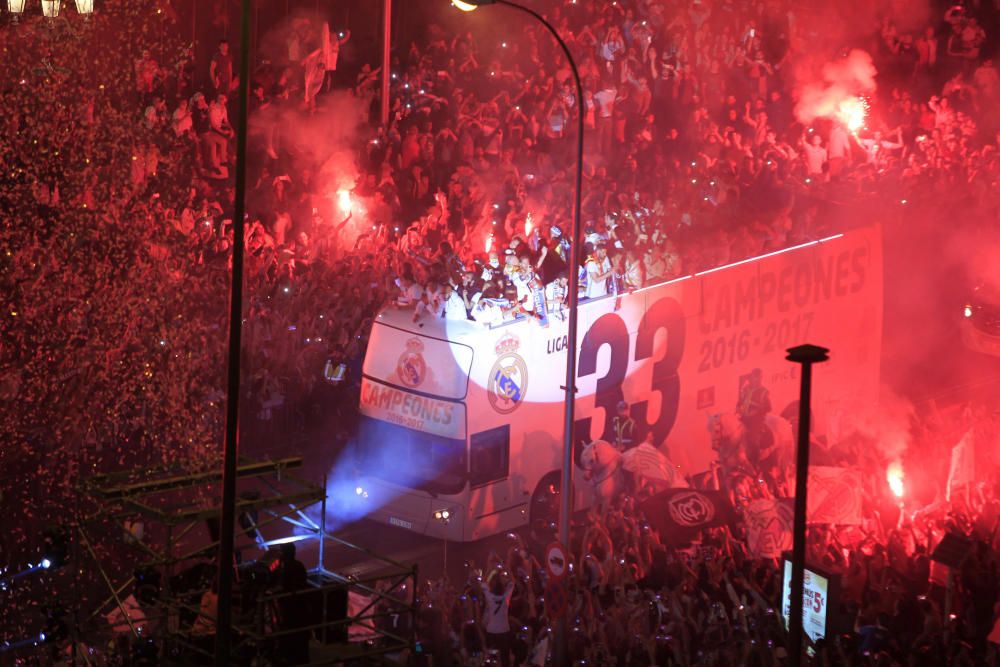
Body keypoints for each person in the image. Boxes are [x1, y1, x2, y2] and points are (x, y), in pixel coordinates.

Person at [481, 567, 514, 667]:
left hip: (491, 631)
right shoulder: (506, 596)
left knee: (491, 659)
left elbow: (483, 581)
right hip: (504, 631)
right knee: (504, 660)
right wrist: (507, 567)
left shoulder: (489, 596)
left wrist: (490, 569)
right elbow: (512, 581)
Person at [737, 368, 771, 463]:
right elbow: (740, 402)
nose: (757, 379)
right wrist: (738, 409)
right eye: (755, 377)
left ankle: (755, 463)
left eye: (759, 377)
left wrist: (755, 412)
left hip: (756, 421)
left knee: (753, 439)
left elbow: (768, 407)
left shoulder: (764, 392)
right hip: (743, 418)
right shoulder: (746, 389)